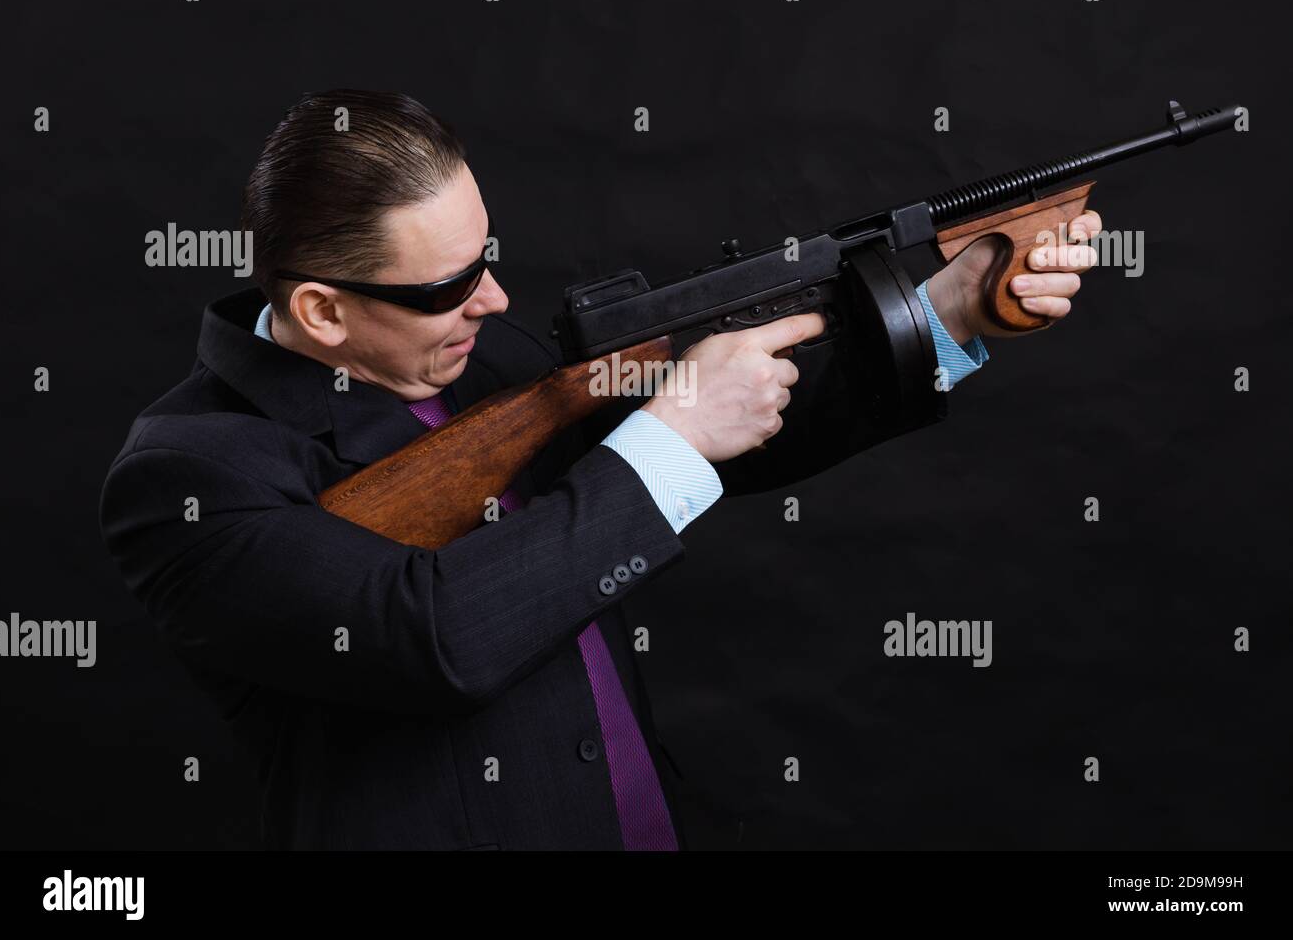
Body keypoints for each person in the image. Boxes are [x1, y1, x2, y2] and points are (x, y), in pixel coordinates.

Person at [99, 89, 1099, 850]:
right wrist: (671, 438)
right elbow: (430, 636)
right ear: (321, 310)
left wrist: (946, 315)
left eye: (484, 256)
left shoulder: (488, 356)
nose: (493, 299)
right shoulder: (188, 476)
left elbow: (722, 439)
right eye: (448, 285)